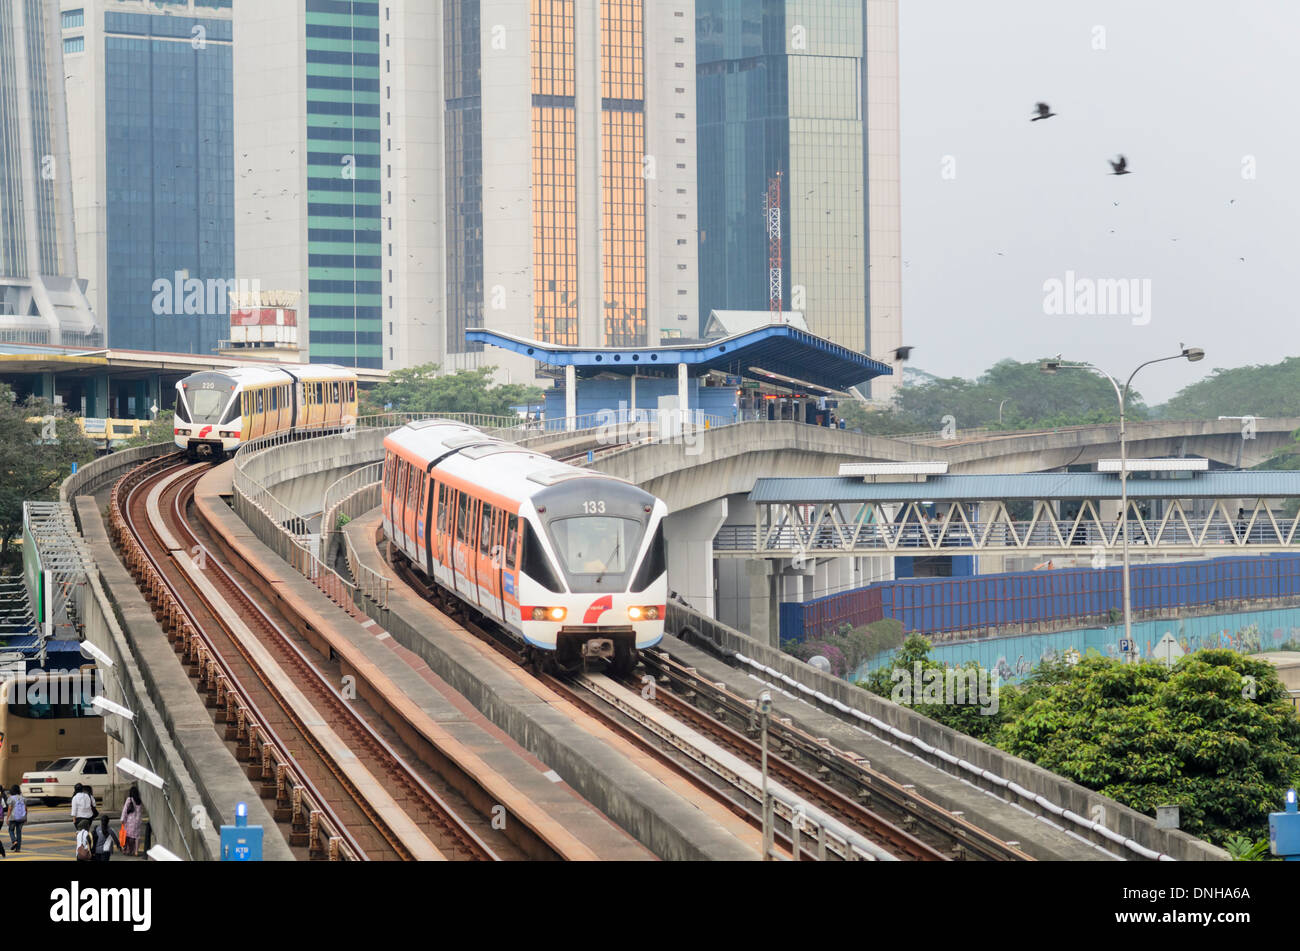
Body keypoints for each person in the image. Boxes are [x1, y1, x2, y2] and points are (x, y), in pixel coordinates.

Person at [121, 785, 144, 856]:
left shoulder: (129, 799)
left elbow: (125, 810)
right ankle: (136, 851)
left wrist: (122, 819)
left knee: (127, 836)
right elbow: (140, 812)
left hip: (129, 821)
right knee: (136, 837)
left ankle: (128, 850)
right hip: (137, 821)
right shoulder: (139, 801)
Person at [7, 785, 25, 852]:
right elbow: (26, 809)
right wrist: (25, 818)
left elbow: (9, 808)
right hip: (21, 818)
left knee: (11, 830)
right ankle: (18, 849)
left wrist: (7, 818)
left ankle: (14, 841)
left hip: (13, 817)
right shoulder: (23, 798)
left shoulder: (11, 798)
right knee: (19, 832)